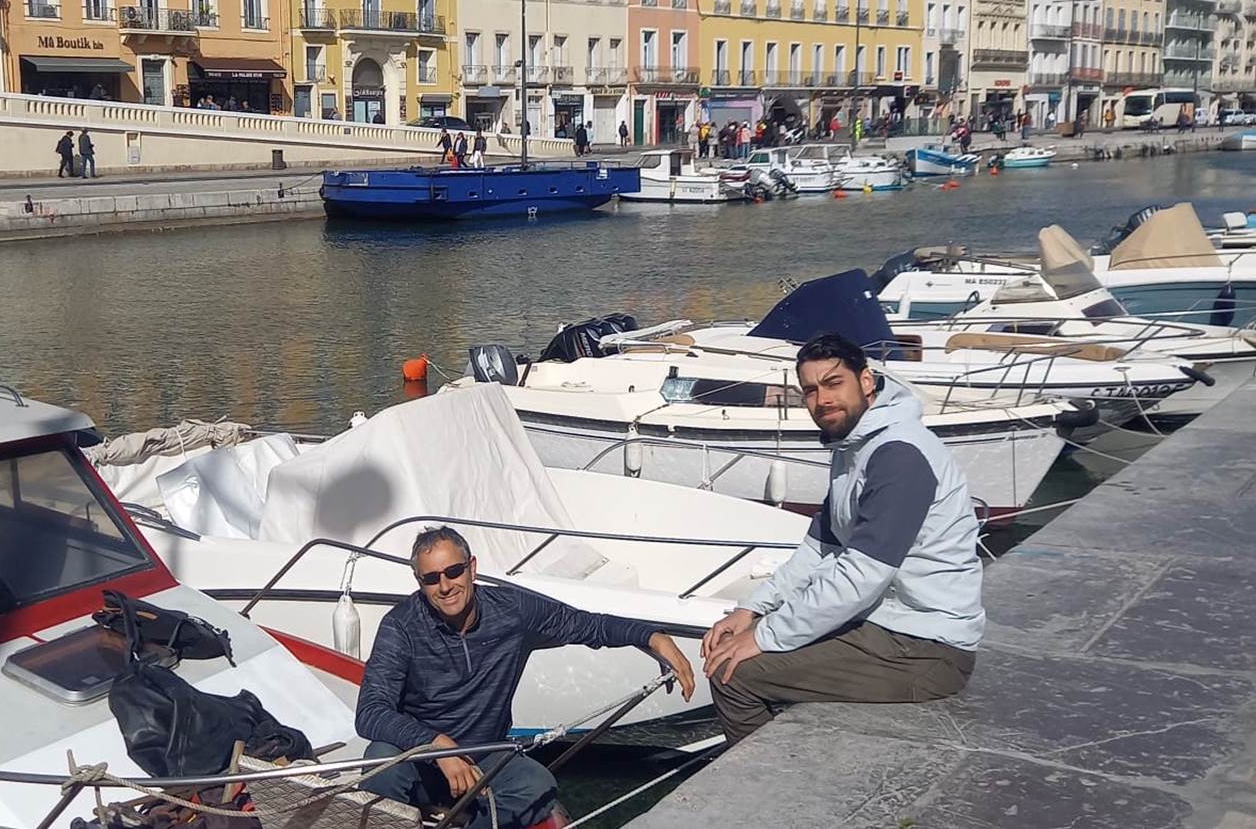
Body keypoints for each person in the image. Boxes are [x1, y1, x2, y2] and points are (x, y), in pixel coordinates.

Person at [700, 333, 983, 743]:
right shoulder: (856, 447)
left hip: (926, 648)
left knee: (735, 675)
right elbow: (821, 549)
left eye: (834, 384)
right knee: (752, 639)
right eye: (811, 391)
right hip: (887, 626)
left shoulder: (897, 455)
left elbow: (863, 575)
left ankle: (768, 791)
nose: (823, 400)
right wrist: (752, 611)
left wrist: (764, 636)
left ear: (866, 381)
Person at [358, 527, 695, 829]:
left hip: (484, 755)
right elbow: (371, 711)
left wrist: (652, 636)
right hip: (420, 758)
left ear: (472, 568)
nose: (445, 586)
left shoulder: (513, 611)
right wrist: (439, 746)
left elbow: (585, 624)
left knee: (537, 785)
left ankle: (468, 819)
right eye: (431, 578)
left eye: (454, 571)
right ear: (420, 583)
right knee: (381, 764)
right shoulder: (400, 627)